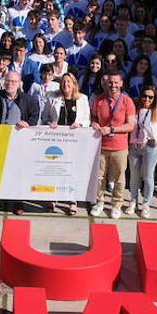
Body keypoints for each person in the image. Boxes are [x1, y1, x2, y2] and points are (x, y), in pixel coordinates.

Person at [0, 71, 38, 215]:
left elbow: (34, 117)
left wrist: (28, 123)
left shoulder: (29, 99)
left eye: (13, 82)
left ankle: (18, 201)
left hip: (19, 142)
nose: (9, 84)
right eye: (7, 81)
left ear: (19, 83)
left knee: (17, 171)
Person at [42, 72, 91, 215]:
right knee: (55, 169)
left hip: (75, 142)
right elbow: (44, 116)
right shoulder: (52, 97)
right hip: (56, 141)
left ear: (74, 84)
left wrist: (80, 123)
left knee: (72, 171)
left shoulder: (82, 99)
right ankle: (53, 198)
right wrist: (49, 123)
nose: (66, 84)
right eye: (63, 82)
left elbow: (87, 119)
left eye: (69, 82)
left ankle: (72, 199)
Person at [90, 71, 137, 218]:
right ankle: (99, 202)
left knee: (119, 178)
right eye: (110, 82)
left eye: (116, 82)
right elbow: (93, 117)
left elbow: (130, 126)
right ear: (105, 83)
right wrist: (94, 123)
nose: (113, 85)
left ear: (121, 83)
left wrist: (112, 129)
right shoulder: (99, 99)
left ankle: (117, 204)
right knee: (99, 177)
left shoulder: (127, 101)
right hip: (101, 145)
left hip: (119, 147)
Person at [126, 88, 157, 218]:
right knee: (134, 176)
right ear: (141, 96)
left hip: (150, 147)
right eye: (145, 96)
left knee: (148, 176)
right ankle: (133, 201)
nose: (147, 99)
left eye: (151, 97)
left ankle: (146, 204)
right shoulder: (134, 109)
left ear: (154, 99)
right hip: (135, 146)